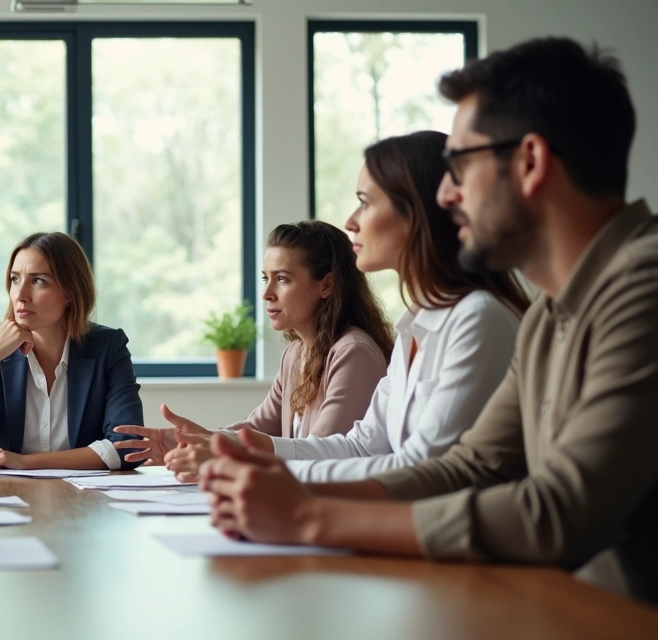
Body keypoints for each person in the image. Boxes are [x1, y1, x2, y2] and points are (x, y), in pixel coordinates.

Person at [201, 37, 658, 603]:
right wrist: (293, 494)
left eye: (460, 164)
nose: (446, 193)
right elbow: (467, 466)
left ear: (531, 162)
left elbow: (557, 512)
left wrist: (309, 518)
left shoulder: (644, 287)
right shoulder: (549, 313)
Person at [199, 130, 531, 484]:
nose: (351, 222)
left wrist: (267, 472)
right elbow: (361, 446)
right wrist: (243, 452)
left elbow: (424, 469)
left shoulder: (477, 319)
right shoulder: (413, 328)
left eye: (365, 202)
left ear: (415, 213)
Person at [113, 221, 394, 481]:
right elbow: (257, 429)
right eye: (265, 278)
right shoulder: (295, 353)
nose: (267, 293)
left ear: (327, 284)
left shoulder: (354, 352)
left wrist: (215, 453)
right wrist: (195, 441)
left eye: (282, 279)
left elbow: (318, 456)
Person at [0, 232, 144, 472]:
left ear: (70, 292)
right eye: (14, 279)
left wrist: (27, 462)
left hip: (84, 503)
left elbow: (128, 447)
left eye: (38, 281)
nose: (20, 295)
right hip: (8, 501)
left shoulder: (108, 347)